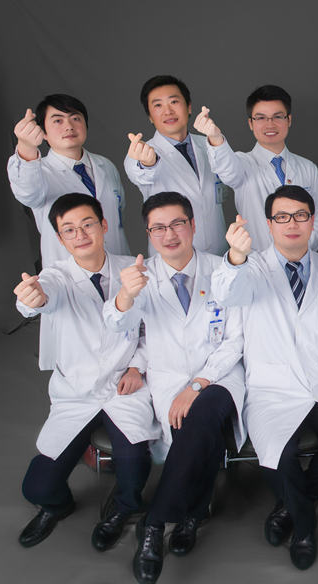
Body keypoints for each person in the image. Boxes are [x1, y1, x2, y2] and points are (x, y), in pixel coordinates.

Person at [210, 186, 318, 570]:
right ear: (269, 224)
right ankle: (304, 530)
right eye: (282, 217)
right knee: (282, 457)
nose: (292, 224)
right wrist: (235, 257)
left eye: (300, 216)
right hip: (271, 389)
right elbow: (225, 293)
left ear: (313, 222)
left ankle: (289, 507)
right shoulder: (250, 268)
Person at [103, 192, 246, 584]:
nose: (169, 235)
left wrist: (197, 384)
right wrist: (125, 295)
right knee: (200, 431)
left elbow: (235, 340)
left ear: (193, 225)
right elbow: (118, 328)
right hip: (168, 378)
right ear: (148, 234)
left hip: (219, 376)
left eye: (178, 224)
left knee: (203, 410)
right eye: (158, 228)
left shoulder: (224, 269)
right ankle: (192, 515)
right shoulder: (139, 276)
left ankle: (153, 524)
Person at [14, 193, 158, 551]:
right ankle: (57, 507)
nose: (80, 235)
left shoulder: (135, 270)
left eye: (87, 224)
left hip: (125, 385)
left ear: (104, 225)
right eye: (69, 230)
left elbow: (153, 331)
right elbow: (39, 296)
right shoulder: (56, 277)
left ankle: (122, 509)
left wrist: (138, 367)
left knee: (133, 464)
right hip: (77, 393)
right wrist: (29, 299)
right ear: (60, 239)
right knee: (37, 488)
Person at [195, 85, 318, 253]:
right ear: (251, 123)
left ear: (289, 120)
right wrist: (215, 137)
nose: (269, 124)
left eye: (277, 117)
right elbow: (227, 169)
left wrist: (300, 250)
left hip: (303, 258)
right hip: (258, 262)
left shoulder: (308, 168)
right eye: (261, 118)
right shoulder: (242, 163)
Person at [8, 95, 130, 269]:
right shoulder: (37, 170)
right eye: (58, 120)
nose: (69, 126)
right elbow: (27, 194)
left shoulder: (106, 165)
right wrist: (26, 146)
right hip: (69, 274)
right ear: (43, 132)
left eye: (75, 118)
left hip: (120, 268)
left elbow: (118, 213)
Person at [124, 75, 228, 257]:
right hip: (172, 258)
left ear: (189, 107)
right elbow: (141, 174)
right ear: (150, 116)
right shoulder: (141, 152)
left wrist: (217, 140)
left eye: (174, 102)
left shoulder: (209, 143)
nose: (168, 111)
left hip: (219, 253)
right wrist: (148, 163)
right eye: (158, 105)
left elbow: (229, 178)